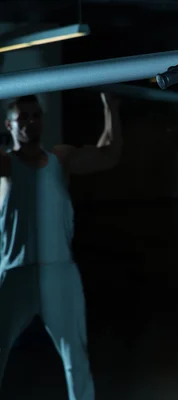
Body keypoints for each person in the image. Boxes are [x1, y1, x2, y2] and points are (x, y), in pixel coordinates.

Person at [0, 93, 121, 400]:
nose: (30, 122)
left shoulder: (60, 158)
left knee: (76, 363)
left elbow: (108, 154)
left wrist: (110, 105)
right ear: (8, 125)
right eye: (22, 117)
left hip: (60, 274)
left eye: (35, 115)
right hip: (16, 275)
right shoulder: (4, 164)